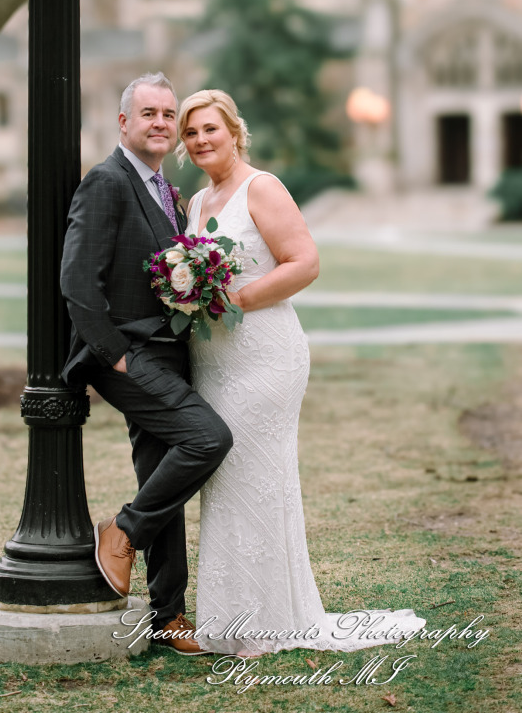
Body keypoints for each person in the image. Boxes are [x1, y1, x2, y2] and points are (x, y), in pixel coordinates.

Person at [178, 89, 426, 656]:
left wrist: (236, 299)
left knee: (256, 480)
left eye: (210, 129)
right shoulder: (196, 203)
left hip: (264, 355)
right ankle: (230, 617)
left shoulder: (260, 188)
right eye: (191, 134)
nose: (200, 141)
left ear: (234, 131)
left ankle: (263, 626)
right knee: (226, 483)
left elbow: (305, 262)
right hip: (213, 363)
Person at [60, 73, 232, 656]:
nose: (160, 123)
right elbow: (78, 284)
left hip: (168, 353)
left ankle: (168, 614)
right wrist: (117, 357)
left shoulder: (168, 193)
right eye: (149, 113)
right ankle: (123, 531)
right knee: (207, 438)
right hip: (127, 357)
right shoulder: (107, 182)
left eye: (168, 114)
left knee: (163, 471)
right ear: (123, 123)